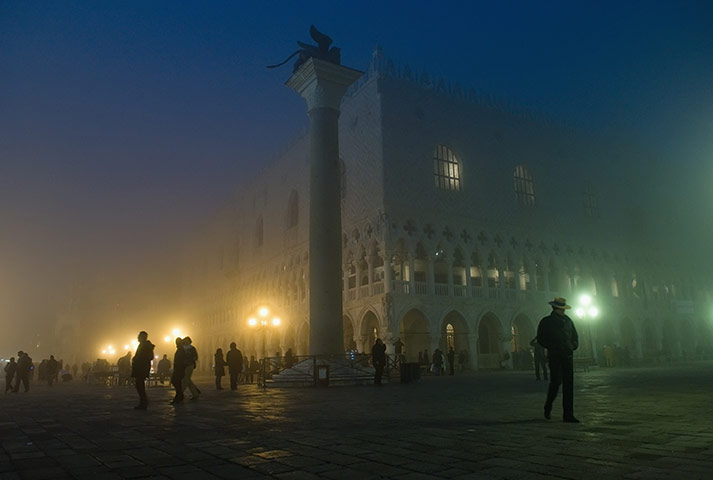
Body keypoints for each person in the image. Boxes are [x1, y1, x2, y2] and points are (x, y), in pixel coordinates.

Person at [537, 297, 580, 423]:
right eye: (561, 309)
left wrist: (573, 345)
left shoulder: (568, 321)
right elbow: (541, 339)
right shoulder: (546, 321)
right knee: (555, 382)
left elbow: (575, 336)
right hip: (555, 355)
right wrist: (552, 346)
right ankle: (548, 405)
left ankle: (568, 414)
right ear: (556, 308)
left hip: (567, 355)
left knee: (568, 384)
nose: (563, 311)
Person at [131, 331, 154, 410]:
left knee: (139, 384)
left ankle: (144, 402)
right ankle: (143, 402)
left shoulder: (145, 346)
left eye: (139, 336)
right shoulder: (143, 345)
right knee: (139, 385)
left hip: (142, 367)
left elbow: (150, 357)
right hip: (141, 367)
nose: (138, 338)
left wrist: (138, 359)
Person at [171, 338, 186, 404]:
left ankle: (179, 395)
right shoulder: (180, 349)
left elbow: (181, 359)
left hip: (179, 368)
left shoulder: (181, 349)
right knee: (177, 382)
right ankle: (180, 395)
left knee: (175, 381)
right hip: (179, 368)